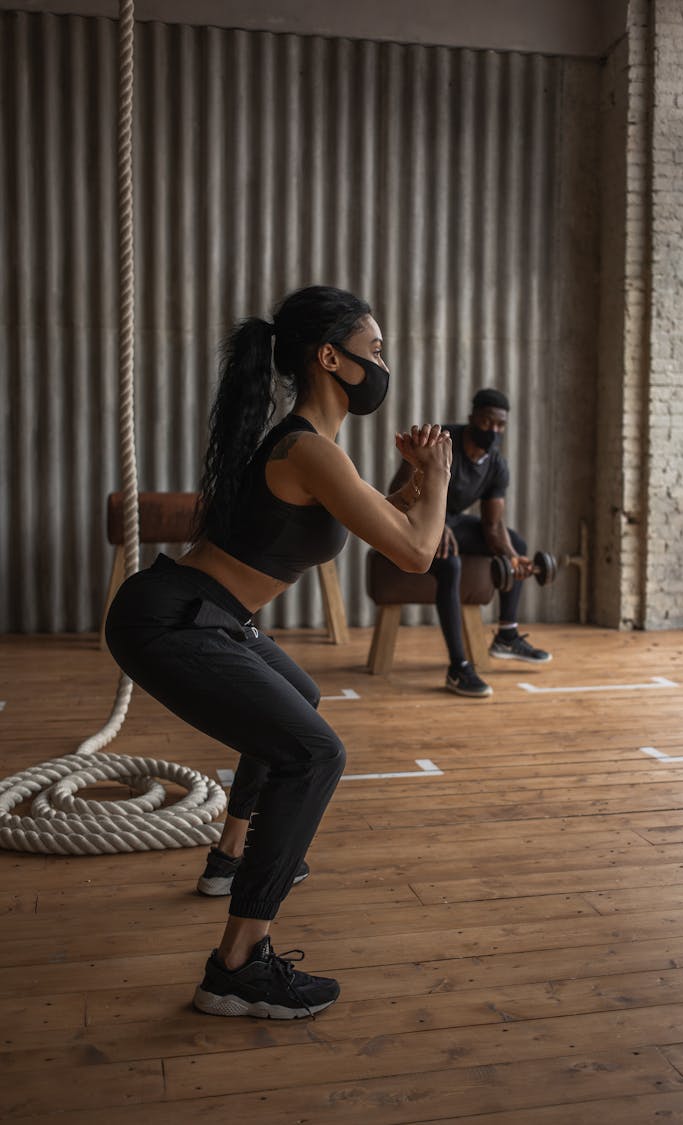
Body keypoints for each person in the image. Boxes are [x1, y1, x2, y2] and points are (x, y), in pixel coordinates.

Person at [105, 286, 451, 1019]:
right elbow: (418, 549)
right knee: (315, 753)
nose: (383, 364)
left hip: (207, 616)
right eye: (376, 350)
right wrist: (442, 476)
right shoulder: (307, 449)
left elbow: (397, 521)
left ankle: (230, 857)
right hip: (174, 621)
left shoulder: (314, 448)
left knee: (301, 705)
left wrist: (420, 481)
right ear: (331, 357)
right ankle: (236, 964)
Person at [389, 387, 551, 699]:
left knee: (514, 543)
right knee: (451, 562)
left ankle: (506, 634)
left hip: (451, 524)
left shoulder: (496, 466)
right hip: (412, 522)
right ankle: (459, 667)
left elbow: (492, 526)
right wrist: (436, 524)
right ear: (472, 419)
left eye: (501, 425)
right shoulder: (439, 443)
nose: (494, 431)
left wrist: (514, 559)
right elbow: (397, 491)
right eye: (488, 423)